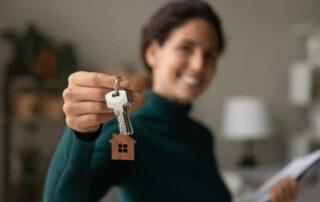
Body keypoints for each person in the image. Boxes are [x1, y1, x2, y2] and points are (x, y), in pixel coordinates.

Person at [44, 1, 298, 202]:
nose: (199, 65)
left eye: (209, 55)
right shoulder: (126, 134)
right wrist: (81, 133)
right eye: (186, 48)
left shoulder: (201, 135)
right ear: (153, 53)